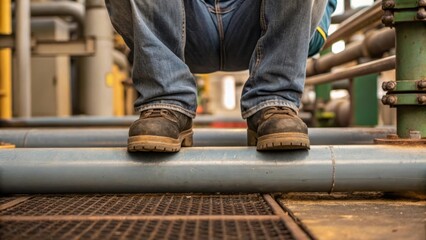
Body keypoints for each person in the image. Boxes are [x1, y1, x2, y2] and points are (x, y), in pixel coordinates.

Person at [105, 0, 337, 152]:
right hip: (177, 22)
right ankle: (165, 101)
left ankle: (274, 101)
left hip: (259, 22)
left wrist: (314, 25)